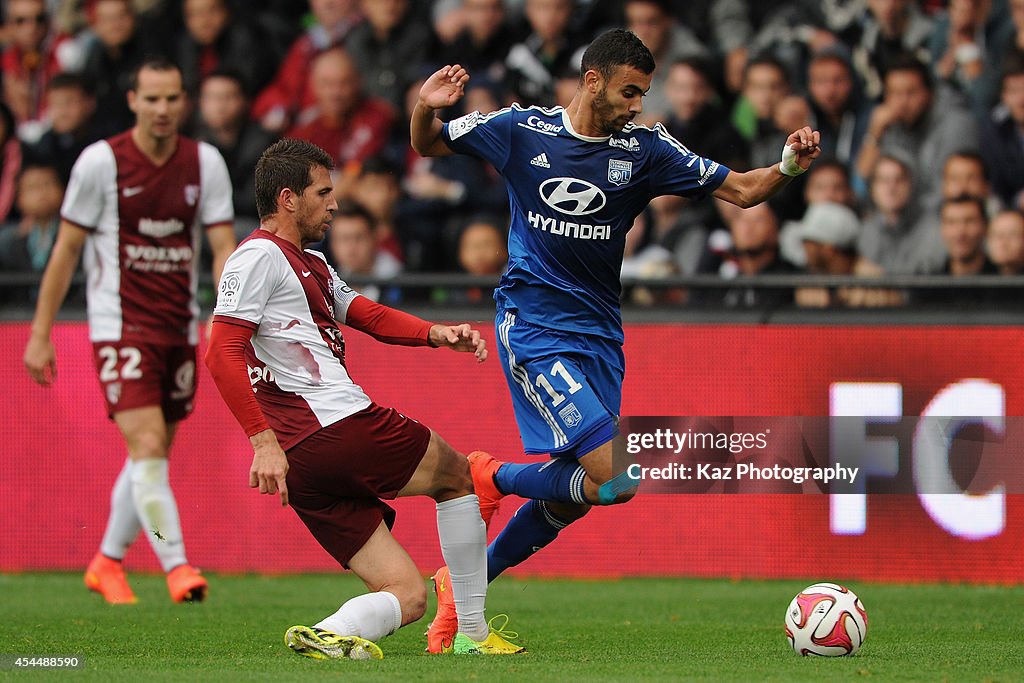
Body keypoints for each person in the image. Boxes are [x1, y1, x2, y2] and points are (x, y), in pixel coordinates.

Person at [410, 28, 821, 652]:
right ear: (593, 79)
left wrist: (790, 164)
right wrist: (424, 105)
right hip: (535, 326)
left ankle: (462, 583)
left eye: (645, 93)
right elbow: (430, 145)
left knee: (584, 496)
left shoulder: (647, 149)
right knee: (619, 477)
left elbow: (744, 189)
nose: (637, 104)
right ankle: (491, 477)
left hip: (600, 335)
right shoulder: (522, 130)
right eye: (630, 91)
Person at [204, 137, 524, 659]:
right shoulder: (258, 256)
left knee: (407, 594)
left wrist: (434, 334)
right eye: (323, 192)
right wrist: (261, 442)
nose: (334, 204)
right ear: (288, 198)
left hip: (303, 463)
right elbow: (221, 352)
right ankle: (471, 629)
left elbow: (367, 315)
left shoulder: (310, 263)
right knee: (460, 476)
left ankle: (329, 633)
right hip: (334, 425)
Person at [22, 57, 238, 605]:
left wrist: (229, 314)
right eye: (152, 99)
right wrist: (40, 331)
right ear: (133, 101)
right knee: (145, 445)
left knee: (151, 457)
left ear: (183, 102)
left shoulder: (204, 162)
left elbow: (219, 250)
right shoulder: (101, 162)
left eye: (172, 99)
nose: (162, 109)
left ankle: (106, 562)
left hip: (178, 326)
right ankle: (177, 564)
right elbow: (67, 249)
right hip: (119, 324)